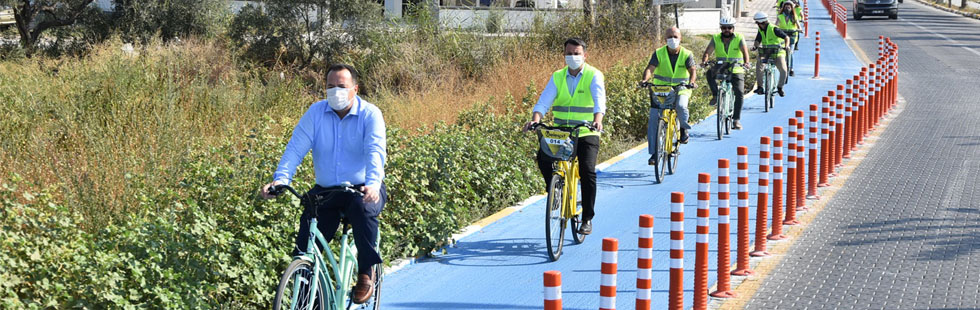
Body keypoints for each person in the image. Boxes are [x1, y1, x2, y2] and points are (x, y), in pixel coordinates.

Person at [260, 64, 387, 304]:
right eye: (330, 86)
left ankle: (366, 272)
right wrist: (280, 180)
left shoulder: (370, 114)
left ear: (355, 89)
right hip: (326, 191)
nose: (335, 91)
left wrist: (372, 184)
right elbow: (295, 148)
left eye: (341, 86)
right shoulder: (316, 113)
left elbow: (375, 151)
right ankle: (308, 294)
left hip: (362, 189)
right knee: (307, 244)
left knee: (363, 210)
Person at [522, 37, 605, 235]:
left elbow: (599, 101)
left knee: (587, 170)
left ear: (585, 55)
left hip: (586, 131)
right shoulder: (558, 76)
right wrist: (535, 119)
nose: (573, 57)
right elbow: (544, 102)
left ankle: (587, 218)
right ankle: (555, 189)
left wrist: (597, 119)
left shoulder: (594, 75)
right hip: (561, 132)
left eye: (577, 54)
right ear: (564, 55)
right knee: (543, 158)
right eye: (569, 53)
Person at [641, 26, 698, 151]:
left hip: (681, 88)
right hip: (661, 90)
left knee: (681, 106)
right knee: (654, 119)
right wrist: (645, 80)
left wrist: (692, 82)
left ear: (680, 38)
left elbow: (692, 70)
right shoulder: (658, 53)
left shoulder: (687, 54)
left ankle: (683, 129)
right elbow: (650, 68)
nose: (672, 39)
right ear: (665, 39)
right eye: (669, 37)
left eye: (675, 37)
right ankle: (654, 154)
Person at [702, 15, 751, 130]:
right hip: (721, 66)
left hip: (736, 68)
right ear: (721, 28)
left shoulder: (739, 37)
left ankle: (736, 120)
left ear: (733, 28)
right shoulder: (716, 38)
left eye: (729, 28)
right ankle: (715, 95)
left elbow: (745, 52)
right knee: (709, 73)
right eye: (724, 28)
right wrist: (704, 61)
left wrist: (747, 62)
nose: (727, 30)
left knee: (739, 92)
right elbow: (707, 52)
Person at [752, 12, 790, 97]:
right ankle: (760, 87)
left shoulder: (774, 29)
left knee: (783, 70)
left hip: (778, 52)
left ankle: (780, 87)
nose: (757, 25)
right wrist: (755, 46)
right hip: (766, 52)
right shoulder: (760, 30)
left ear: (762, 22)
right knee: (759, 66)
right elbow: (758, 40)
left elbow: (786, 37)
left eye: (757, 23)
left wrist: (786, 46)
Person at [777, 1, 802, 76]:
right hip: (783, 36)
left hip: (792, 36)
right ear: (783, 8)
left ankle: (791, 68)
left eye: (789, 7)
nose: (787, 8)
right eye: (786, 7)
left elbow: (798, 25)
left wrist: (799, 29)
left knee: (790, 52)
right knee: (781, 51)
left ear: (791, 8)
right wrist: (776, 29)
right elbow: (776, 24)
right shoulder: (780, 16)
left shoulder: (794, 17)